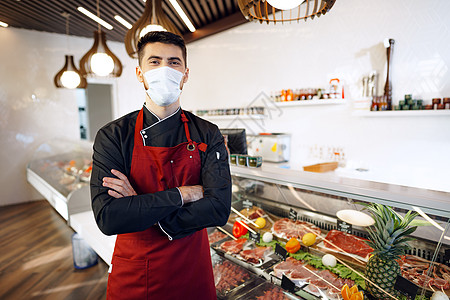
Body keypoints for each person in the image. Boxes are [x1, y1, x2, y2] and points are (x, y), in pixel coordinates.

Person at [90, 31, 232, 300]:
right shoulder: (113, 135)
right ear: (140, 73)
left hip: (193, 268)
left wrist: (140, 205)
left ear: (186, 74)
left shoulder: (207, 133)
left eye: (174, 62)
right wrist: (185, 194)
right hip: (136, 271)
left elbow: (218, 209)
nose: (165, 69)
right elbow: (109, 217)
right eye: (154, 62)